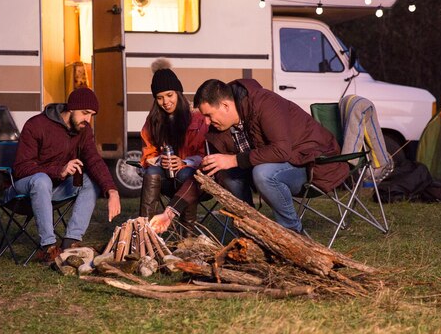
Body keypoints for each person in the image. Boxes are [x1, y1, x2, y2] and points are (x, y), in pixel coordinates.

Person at [192, 79, 349, 235]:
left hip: (313, 162)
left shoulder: (265, 103)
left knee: (263, 173)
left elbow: (281, 151)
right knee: (228, 175)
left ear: (225, 106)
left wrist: (233, 160)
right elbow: (216, 166)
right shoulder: (220, 128)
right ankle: (250, 231)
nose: (206, 121)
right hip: (278, 164)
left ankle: (292, 233)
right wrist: (173, 209)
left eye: (208, 115)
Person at [9, 87, 121, 263]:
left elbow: (94, 161)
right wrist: (59, 170)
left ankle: (70, 243)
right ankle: (49, 248)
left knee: (90, 181)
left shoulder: (84, 130)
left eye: (91, 115)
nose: (88, 119)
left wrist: (112, 190)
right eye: (85, 113)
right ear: (71, 108)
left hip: (55, 188)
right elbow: (21, 168)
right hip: (25, 188)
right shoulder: (36, 125)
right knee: (41, 180)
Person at [139, 59, 209, 234]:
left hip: (193, 183)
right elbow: (147, 155)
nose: (165, 102)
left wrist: (184, 162)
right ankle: (145, 233)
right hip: (165, 180)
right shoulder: (153, 121)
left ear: (178, 93)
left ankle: (187, 236)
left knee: (186, 173)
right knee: (151, 173)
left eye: (170, 95)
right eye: (160, 97)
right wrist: (159, 159)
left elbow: (205, 155)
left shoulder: (197, 119)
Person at [339, 94, 394, 182]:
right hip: (342, 160)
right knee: (364, 106)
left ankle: (378, 162)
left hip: (334, 156)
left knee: (363, 106)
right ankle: (379, 162)